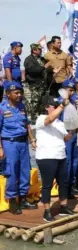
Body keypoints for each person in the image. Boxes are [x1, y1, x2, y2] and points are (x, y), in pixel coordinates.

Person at [35, 95, 76, 222]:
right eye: (55, 106)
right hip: (46, 157)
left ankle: (63, 206)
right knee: (47, 185)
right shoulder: (41, 118)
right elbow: (49, 120)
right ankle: (47, 211)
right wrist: (63, 105)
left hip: (60, 155)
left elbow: (65, 138)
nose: (59, 108)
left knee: (63, 182)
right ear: (47, 107)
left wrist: (73, 130)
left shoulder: (60, 122)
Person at [0, 81, 37, 214]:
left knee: (25, 171)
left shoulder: (22, 106)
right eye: (16, 93)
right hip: (9, 143)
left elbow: (27, 125)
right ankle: (11, 201)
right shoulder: (2, 108)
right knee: (11, 172)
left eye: (20, 92)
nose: (19, 95)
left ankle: (22, 198)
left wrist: (32, 139)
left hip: (23, 143)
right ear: (8, 94)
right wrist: (0, 147)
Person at [24, 43, 49, 122]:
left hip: (43, 85)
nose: (41, 51)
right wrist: (43, 67)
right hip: (34, 85)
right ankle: (33, 118)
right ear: (34, 50)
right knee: (35, 102)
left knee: (42, 102)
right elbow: (32, 70)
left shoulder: (41, 59)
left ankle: (41, 118)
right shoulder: (29, 59)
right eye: (39, 49)